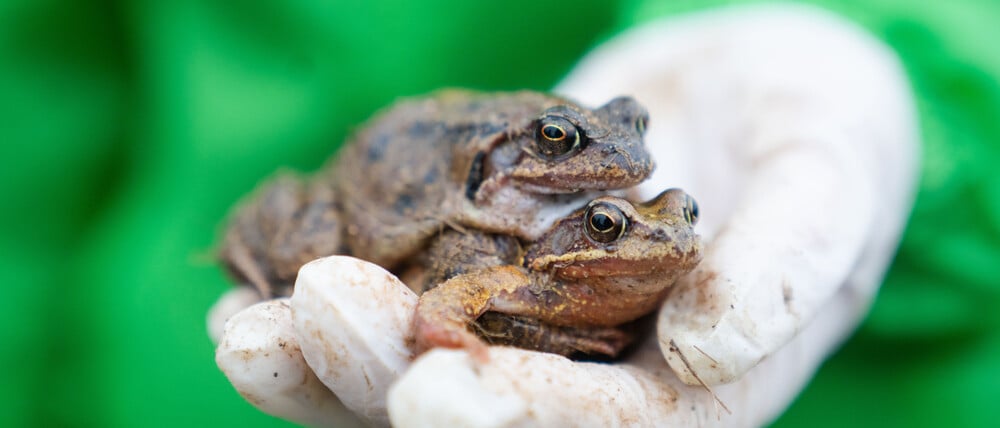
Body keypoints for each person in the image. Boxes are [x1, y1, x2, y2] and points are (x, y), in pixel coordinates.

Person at [211, 5, 918, 427]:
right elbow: (450, 295)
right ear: (509, 162)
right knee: (309, 259)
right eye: (557, 143)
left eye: (634, 129)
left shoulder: (579, 209)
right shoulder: (475, 211)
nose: (632, 161)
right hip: (354, 188)